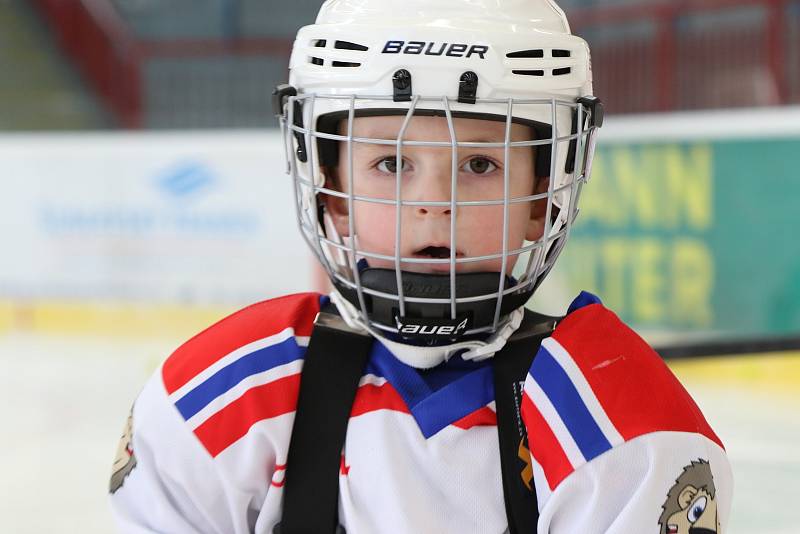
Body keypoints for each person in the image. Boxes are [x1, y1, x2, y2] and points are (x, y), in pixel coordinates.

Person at [109, 1, 733, 533]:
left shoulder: (620, 428)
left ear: (543, 199)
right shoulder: (221, 398)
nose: (435, 203)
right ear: (332, 190)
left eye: (480, 166)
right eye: (390, 163)